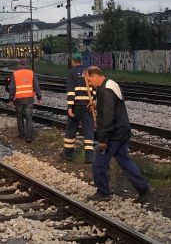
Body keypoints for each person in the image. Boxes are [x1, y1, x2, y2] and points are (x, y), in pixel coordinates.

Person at [84, 66, 151, 202]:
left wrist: (103, 139)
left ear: (96, 75)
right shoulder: (110, 84)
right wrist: (96, 104)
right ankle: (143, 188)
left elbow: (108, 116)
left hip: (113, 133)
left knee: (98, 163)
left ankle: (103, 192)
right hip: (122, 130)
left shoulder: (106, 90)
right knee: (124, 160)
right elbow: (112, 104)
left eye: (90, 80)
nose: (90, 84)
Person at [61, 53, 95, 163]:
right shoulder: (89, 72)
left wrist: (70, 107)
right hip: (87, 106)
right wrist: (93, 103)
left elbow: (71, 92)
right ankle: (89, 157)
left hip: (76, 106)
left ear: (73, 62)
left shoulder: (72, 73)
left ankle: (68, 154)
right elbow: (93, 90)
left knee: (71, 129)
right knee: (89, 130)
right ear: (81, 61)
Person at [7, 60, 42, 142]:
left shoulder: (15, 74)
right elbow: (36, 86)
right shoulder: (31, 73)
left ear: (19, 65)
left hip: (18, 100)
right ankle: (29, 136)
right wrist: (39, 97)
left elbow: (12, 88)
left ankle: (22, 134)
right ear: (26, 65)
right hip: (29, 99)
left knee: (20, 117)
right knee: (29, 118)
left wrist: (11, 99)